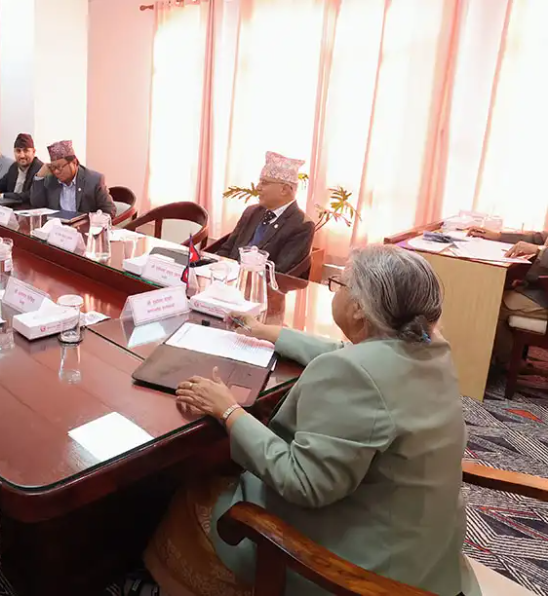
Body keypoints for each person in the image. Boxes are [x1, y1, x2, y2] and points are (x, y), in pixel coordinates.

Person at [143, 245, 468, 596]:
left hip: (366, 573)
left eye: (340, 284)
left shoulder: (356, 375)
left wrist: (228, 410)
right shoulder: (427, 347)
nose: (336, 290)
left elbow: (302, 483)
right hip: (427, 553)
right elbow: (347, 354)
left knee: (190, 496)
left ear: (359, 308)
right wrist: (266, 332)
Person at [214, 151, 315, 274]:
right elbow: (226, 249)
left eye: (264, 183)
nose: (257, 187)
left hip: (261, 283)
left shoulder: (302, 225)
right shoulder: (252, 212)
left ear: (284, 189)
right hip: (227, 277)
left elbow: (281, 271)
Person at [468, 226, 547, 369]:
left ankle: (505, 362)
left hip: (545, 294)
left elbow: (538, 246)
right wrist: (498, 236)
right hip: (539, 287)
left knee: (492, 305)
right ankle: (507, 357)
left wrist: (538, 251)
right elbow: (539, 238)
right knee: (496, 292)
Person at [29, 140, 116, 216]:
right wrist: (39, 177)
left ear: (74, 162)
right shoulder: (51, 179)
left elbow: (110, 211)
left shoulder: (94, 180)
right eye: (53, 167)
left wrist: (93, 221)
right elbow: (37, 204)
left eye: (59, 167)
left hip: (83, 227)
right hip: (57, 226)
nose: (56, 172)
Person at [0, 133, 43, 204]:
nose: (22, 155)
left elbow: (30, 195)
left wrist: (1, 195)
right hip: (10, 206)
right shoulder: (14, 166)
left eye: (26, 151)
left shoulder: (40, 169)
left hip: (28, 208)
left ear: (33, 152)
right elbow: (0, 186)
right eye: (18, 151)